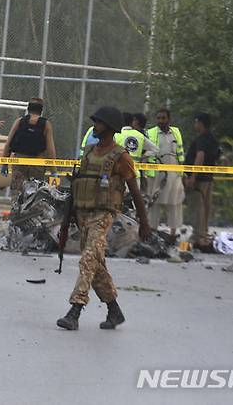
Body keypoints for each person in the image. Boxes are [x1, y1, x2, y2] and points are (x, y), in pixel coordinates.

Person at [57, 106, 150, 331]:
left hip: (103, 215)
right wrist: (67, 221)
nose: (94, 126)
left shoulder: (121, 157)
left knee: (88, 259)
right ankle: (114, 310)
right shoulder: (88, 152)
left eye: (98, 123)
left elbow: (135, 191)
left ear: (109, 127)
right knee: (96, 265)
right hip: (82, 214)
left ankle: (75, 309)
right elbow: (77, 186)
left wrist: (145, 222)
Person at [1, 97, 56, 201]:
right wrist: (53, 170)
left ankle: (16, 215)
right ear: (41, 110)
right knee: (34, 195)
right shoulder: (46, 124)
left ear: (28, 108)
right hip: (37, 165)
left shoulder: (19, 122)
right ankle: (30, 215)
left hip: (19, 163)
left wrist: (4, 164)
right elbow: (50, 149)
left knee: (17, 194)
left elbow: (8, 143)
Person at [146, 108, 185, 240]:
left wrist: (182, 172)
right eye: (158, 118)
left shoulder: (176, 132)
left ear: (169, 119)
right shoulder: (150, 133)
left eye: (163, 118)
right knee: (154, 202)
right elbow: (146, 152)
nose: (160, 121)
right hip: (156, 172)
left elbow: (180, 152)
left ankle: (173, 233)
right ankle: (152, 231)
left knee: (174, 202)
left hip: (174, 171)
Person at [184, 112, 219, 250]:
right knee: (204, 208)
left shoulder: (203, 139)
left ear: (200, 123)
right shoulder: (212, 139)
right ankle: (202, 235)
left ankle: (199, 238)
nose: (195, 125)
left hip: (199, 180)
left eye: (196, 122)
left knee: (197, 208)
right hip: (208, 178)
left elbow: (200, 156)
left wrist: (193, 176)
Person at [114, 112, 159, 186]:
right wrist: (143, 156)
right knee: (135, 197)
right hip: (135, 176)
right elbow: (156, 150)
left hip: (119, 175)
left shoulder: (116, 134)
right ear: (132, 122)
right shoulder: (139, 136)